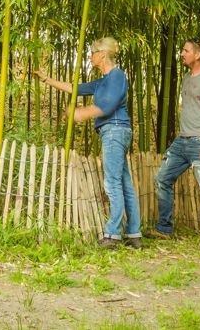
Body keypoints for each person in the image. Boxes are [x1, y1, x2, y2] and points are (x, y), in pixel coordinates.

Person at [34, 37, 142, 249]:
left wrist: (81, 113)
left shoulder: (117, 75)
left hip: (115, 130)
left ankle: (112, 235)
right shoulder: (103, 80)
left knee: (112, 183)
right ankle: (134, 234)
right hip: (115, 131)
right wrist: (47, 79)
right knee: (124, 183)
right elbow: (75, 88)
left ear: (102, 54)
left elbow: (108, 105)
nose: (90, 57)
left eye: (92, 53)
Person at [151, 37, 200, 251]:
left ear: (198, 54)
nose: (182, 54)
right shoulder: (186, 77)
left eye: (186, 50)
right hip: (182, 141)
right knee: (162, 178)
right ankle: (164, 229)